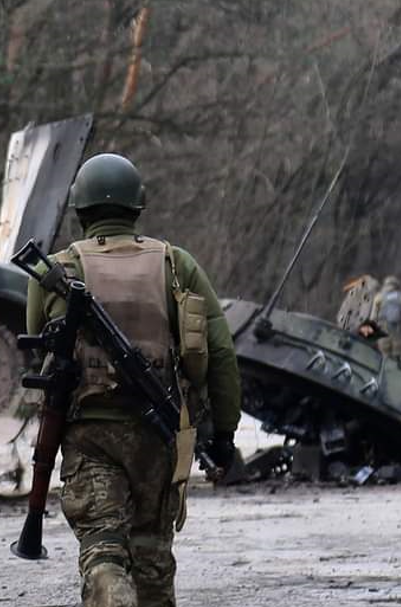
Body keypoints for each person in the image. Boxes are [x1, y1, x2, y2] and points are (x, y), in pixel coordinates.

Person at [25, 153, 241, 607]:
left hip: (88, 431)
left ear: (79, 210)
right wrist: (224, 433)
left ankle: (109, 588)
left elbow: (41, 356)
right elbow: (220, 353)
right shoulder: (175, 264)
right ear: (137, 207)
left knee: (102, 544)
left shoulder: (54, 271)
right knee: (151, 550)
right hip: (156, 435)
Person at [373, 275, 401, 357]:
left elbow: (373, 316)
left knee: (384, 351)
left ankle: (385, 365)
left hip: (382, 326)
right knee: (398, 351)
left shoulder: (379, 297)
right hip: (395, 326)